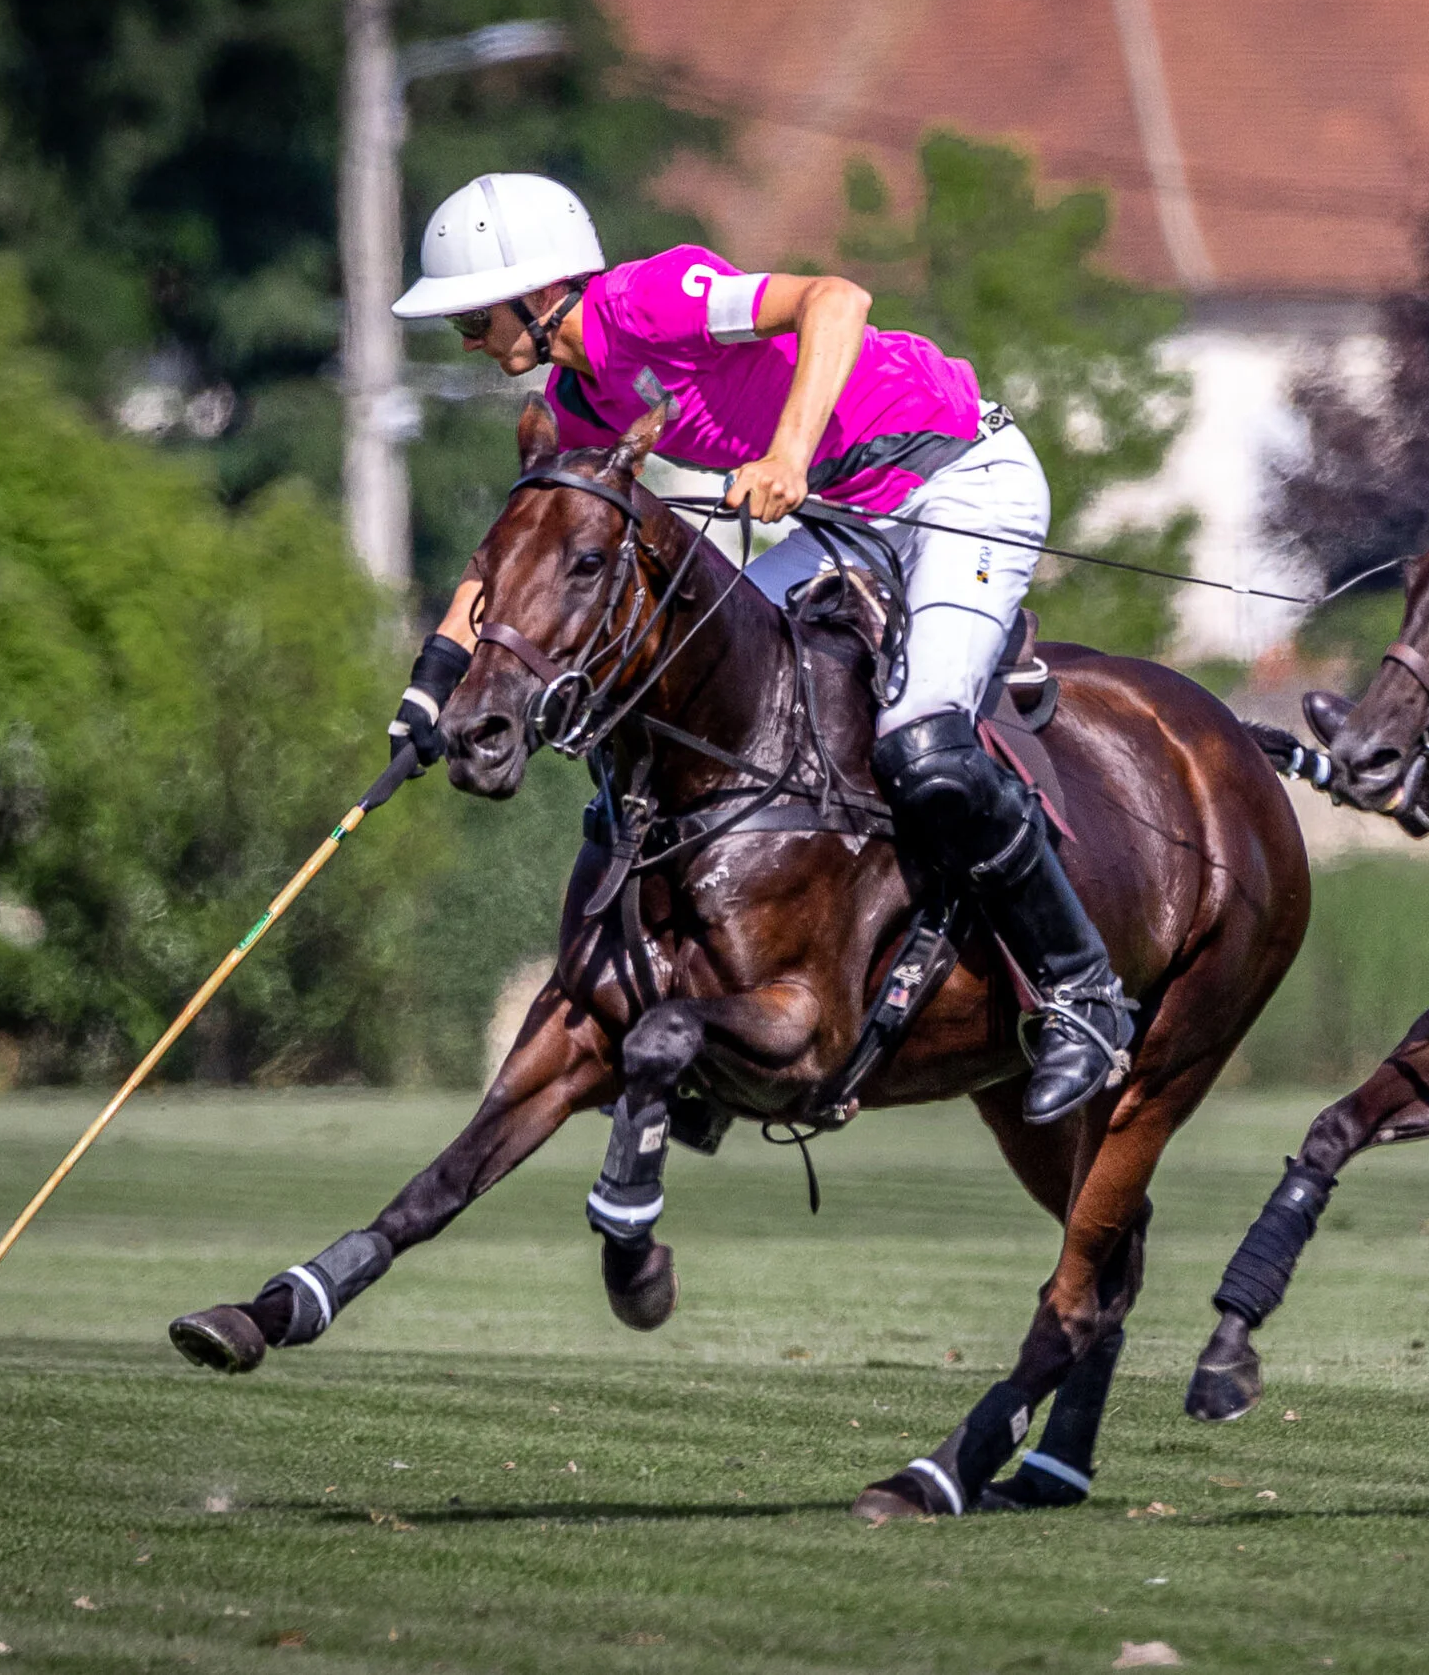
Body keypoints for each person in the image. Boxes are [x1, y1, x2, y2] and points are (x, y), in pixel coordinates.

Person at [383, 173, 1133, 1128]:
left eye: (474, 320)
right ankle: (717, 1003)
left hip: (960, 480)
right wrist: (435, 684)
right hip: (850, 519)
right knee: (702, 682)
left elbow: (837, 300)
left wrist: (786, 455)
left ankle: (1082, 992)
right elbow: (517, 557)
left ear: (540, 293)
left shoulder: (648, 300)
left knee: (926, 747)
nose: (469, 344)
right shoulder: (578, 405)